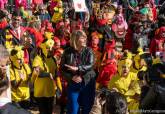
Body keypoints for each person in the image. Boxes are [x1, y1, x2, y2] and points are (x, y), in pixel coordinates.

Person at [60, 30, 96, 114]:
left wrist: (78, 69)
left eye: (85, 37)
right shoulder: (67, 52)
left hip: (87, 83)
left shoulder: (89, 51)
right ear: (75, 39)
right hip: (73, 83)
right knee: (73, 109)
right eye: (82, 38)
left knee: (86, 109)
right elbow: (62, 69)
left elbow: (91, 65)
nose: (85, 39)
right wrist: (71, 77)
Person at [0, 45, 31, 114]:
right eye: (19, 59)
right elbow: (14, 86)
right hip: (16, 99)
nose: (21, 61)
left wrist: (33, 75)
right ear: (14, 59)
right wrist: (20, 80)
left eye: (22, 58)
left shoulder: (25, 66)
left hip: (26, 96)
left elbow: (30, 80)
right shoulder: (10, 70)